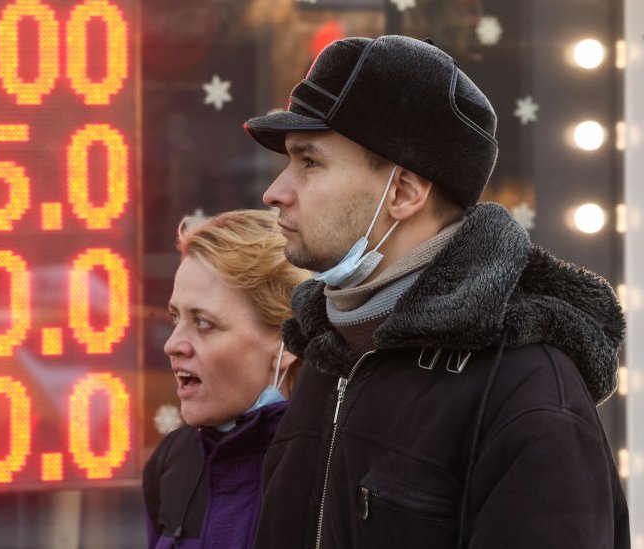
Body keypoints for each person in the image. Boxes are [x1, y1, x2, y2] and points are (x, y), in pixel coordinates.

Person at [242, 35, 629, 548]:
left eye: (309, 162)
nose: (276, 191)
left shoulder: (524, 389)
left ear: (402, 192)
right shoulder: (329, 356)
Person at [143, 209, 310, 548]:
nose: (172, 344)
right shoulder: (171, 465)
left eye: (203, 322)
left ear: (286, 340)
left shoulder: (334, 469)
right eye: (176, 317)